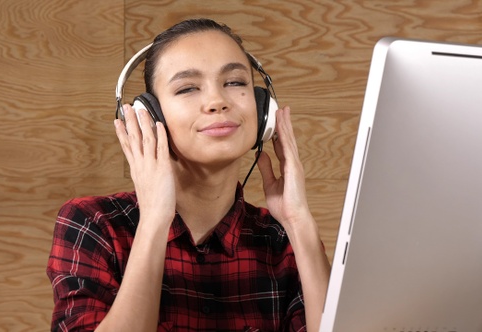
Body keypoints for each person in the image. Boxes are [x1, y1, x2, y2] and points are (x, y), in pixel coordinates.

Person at [47, 18, 330, 332]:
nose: (217, 102)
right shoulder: (94, 224)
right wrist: (155, 218)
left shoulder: (284, 242)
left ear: (263, 108)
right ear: (149, 116)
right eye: (187, 88)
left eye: (235, 82)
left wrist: (299, 222)